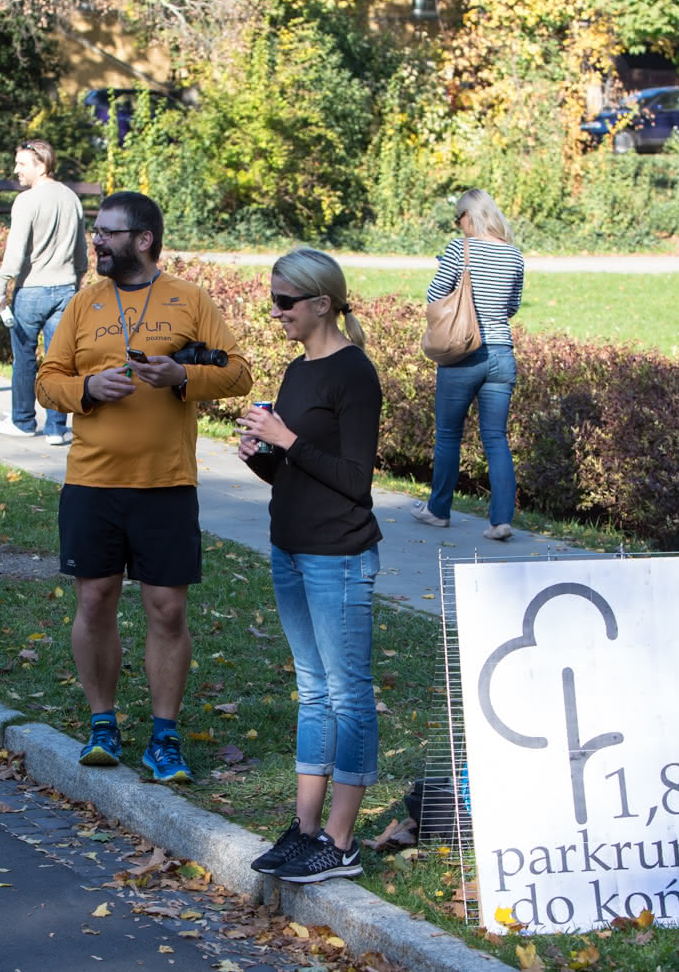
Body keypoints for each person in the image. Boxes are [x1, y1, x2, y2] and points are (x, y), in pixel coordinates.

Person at [36, 190, 252, 783]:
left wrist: (183, 373)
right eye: (95, 231)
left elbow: (238, 372)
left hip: (166, 482)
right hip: (92, 480)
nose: (96, 241)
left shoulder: (189, 299)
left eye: (106, 232)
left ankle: (165, 736)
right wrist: (86, 390)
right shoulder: (85, 304)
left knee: (166, 608)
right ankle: (102, 723)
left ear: (144, 240)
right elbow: (47, 378)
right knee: (94, 599)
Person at [235, 248, 382, 884]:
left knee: (349, 695)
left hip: (339, 556)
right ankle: (305, 830)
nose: (276, 313)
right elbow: (291, 469)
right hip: (290, 548)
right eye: (273, 300)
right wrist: (260, 455)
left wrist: (288, 440)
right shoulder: (297, 373)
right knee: (314, 689)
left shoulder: (353, 375)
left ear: (322, 304)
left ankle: (341, 843)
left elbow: (355, 481)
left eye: (285, 302)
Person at [410, 188, 525, 541]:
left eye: (458, 217)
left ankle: (438, 510)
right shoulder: (515, 256)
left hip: (463, 354)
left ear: (470, 217)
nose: (457, 224)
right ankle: (501, 521)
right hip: (502, 354)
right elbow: (513, 306)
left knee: (448, 434)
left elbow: (434, 296)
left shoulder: (461, 249)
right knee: (496, 438)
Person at [0, 139, 87, 445]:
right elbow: (81, 250)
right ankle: (56, 429)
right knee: (60, 361)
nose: (16, 169)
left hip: (31, 291)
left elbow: (16, 252)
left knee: (24, 360)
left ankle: (22, 421)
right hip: (66, 289)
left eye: (22, 164)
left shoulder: (27, 201)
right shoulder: (71, 197)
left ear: (41, 165)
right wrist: (79, 280)